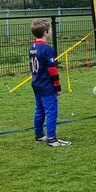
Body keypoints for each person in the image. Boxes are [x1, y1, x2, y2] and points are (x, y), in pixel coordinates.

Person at [28, 18, 70, 147]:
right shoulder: (47, 48)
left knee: (39, 110)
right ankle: (52, 139)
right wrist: (57, 87)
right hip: (46, 85)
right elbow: (52, 70)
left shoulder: (32, 47)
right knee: (51, 111)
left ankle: (39, 135)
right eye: (50, 29)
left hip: (36, 84)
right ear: (45, 32)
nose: (51, 31)